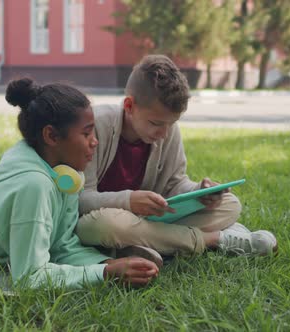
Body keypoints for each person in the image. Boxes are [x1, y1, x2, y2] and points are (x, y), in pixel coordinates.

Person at [0, 78, 159, 288]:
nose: (95, 142)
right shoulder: (34, 187)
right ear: (51, 136)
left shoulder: (64, 171)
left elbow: (60, 246)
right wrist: (106, 273)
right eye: (86, 133)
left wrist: (108, 263)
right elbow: (29, 276)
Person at [75, 55, 278, 258]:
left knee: (230, 204)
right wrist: (129, 201)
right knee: (105, 226)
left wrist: (199, 192)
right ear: (129, 106)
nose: (164, 134)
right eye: (155, 124)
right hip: (102, 217)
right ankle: (215, 239)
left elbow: (174, 184)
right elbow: (81, 200)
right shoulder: (95, 126)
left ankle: (143, 245)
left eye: (170, 124)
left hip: (150, 220)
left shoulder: (167, 129)